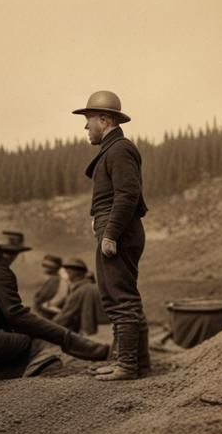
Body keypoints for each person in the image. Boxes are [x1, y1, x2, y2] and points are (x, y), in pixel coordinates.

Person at [73, 90, 149, 382]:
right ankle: (133, 363)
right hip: (116, 231)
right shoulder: (114, 149)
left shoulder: (119, 150)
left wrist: (110, 234)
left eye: (88, 120)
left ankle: (127, 366)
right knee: (121, 296)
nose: (85, 127)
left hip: (118, 232)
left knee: (121, 299)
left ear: (104, 120)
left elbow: (128, 194)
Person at [0, 237, 108, 377]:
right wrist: (61, 335)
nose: (12, 257)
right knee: (41, 345)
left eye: (14, 253)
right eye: (8, 253)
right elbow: (17, 316)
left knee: (33, 339)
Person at [53, 257, 105, 336]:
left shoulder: (80, 290)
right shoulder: (89, 286)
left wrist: (47, 326)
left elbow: (64, 317)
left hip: (97, 334)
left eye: (67, 271)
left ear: (72, 273)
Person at [33, 254, 69, 319]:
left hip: (47, 314)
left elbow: (42, 297)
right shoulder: (59, 278)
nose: (44, 268)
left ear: (53, 267)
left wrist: (37, 299)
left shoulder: (54, 279)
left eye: (46, 266)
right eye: (43, 266)